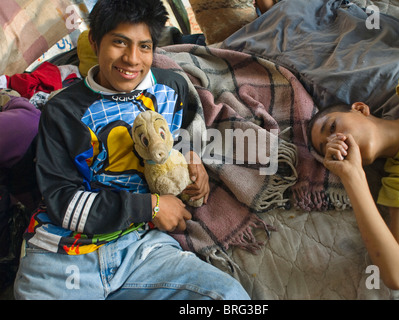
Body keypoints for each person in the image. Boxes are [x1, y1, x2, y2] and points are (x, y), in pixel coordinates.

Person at [14, 0, 249, 300]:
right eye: (119, 43)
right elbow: (64, 204)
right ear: (95, 42)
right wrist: (150, 207)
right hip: (63, 256)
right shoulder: (63, 111)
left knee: (228, 297)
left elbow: (189, 118)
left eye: (144, 46)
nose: (132, 59)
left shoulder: (170, 87)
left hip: (142, 250)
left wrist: (191, 156)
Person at [308, 60, 399, 290]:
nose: (336, 143)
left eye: (332, 128)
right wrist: (353, 179)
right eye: (328, 150)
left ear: (360, 109)